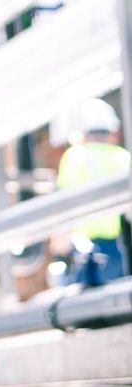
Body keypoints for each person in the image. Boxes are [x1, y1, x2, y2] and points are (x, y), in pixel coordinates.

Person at [54, 97, 130, 283]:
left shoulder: (74, 156)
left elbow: (63, 206)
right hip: (116, 246)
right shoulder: (122, 157)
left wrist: (59, 248)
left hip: (82, 247)